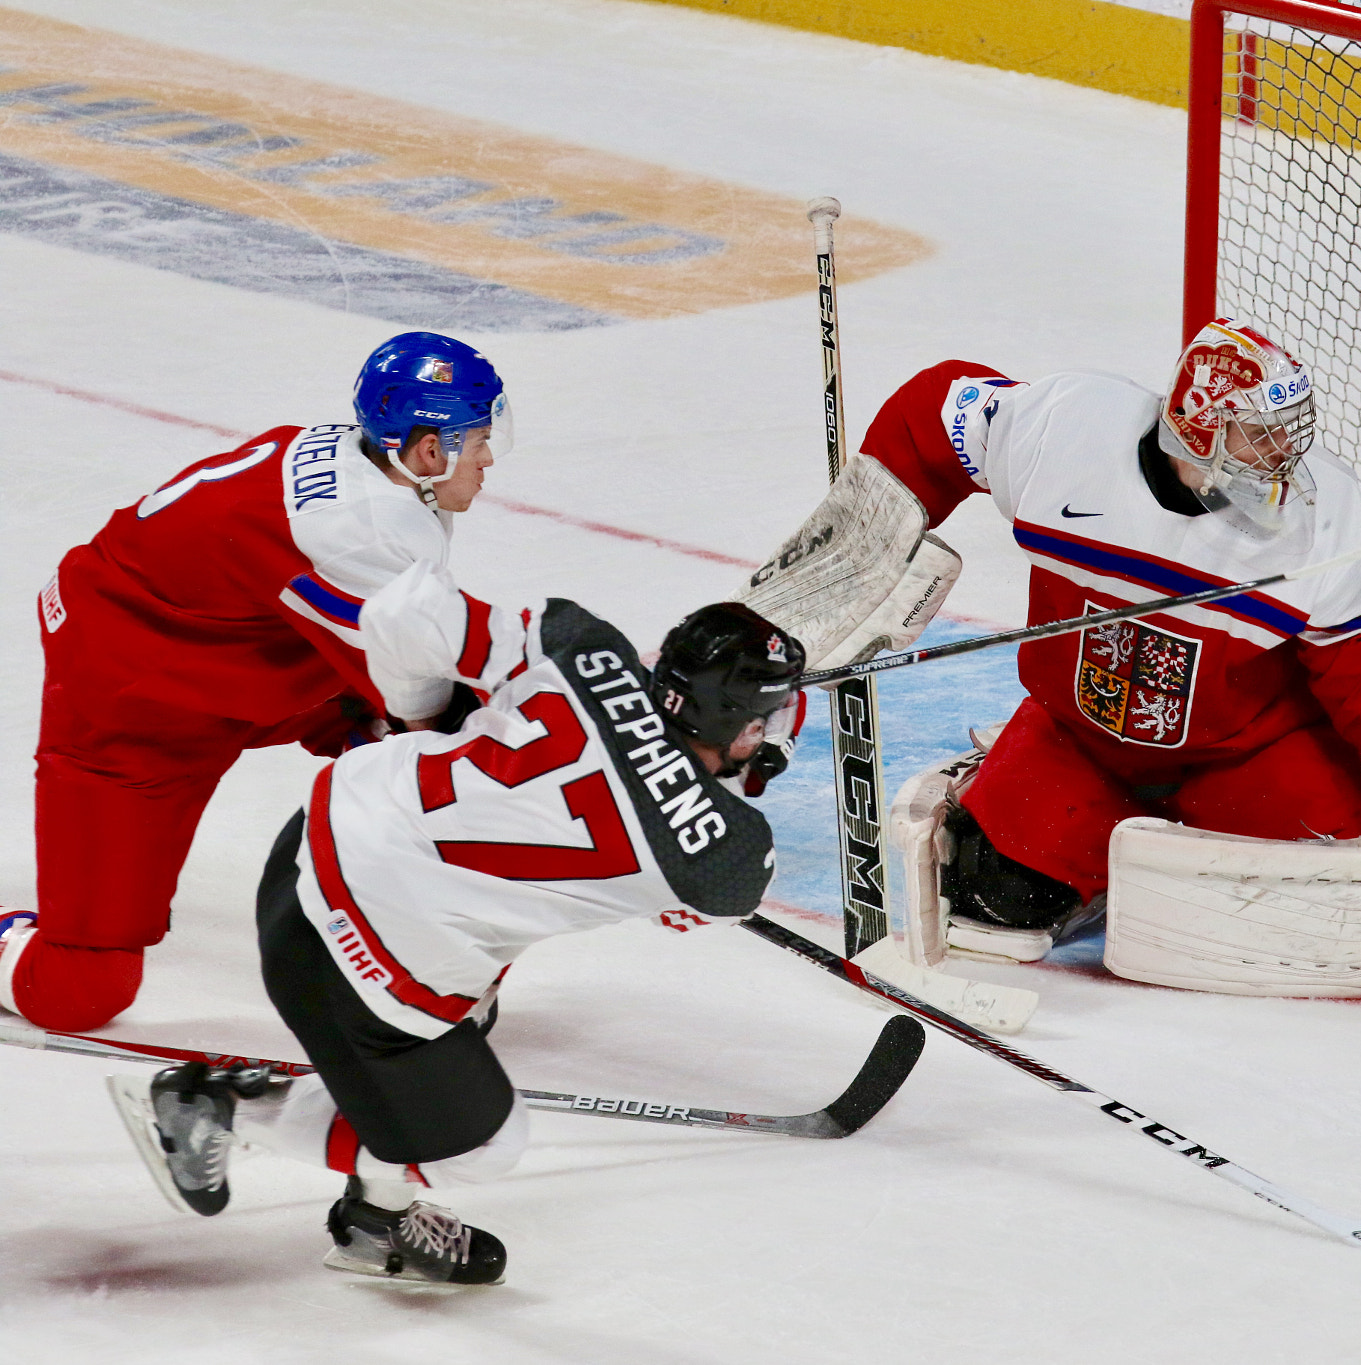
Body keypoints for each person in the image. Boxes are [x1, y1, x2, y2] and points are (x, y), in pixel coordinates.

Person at [107, 572, 805, 1284]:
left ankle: (378, 1220)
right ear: (739, 720)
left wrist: (422, 719)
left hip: (313, 840)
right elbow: (698, 901)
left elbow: (404, 609)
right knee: (483, 1143)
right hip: (349, 961)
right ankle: (222, 1107)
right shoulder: (725, 858)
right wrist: (720, 778)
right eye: (766, 721)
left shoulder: (583, 646)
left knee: (475, 996)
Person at [749, 317, 1361, 963]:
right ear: (1199, 432)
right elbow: (932, 416)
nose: (1283, 456)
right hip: (1083, 742)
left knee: (1328, 912)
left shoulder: (1321, 516)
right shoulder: (1068, 431)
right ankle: (1005, 778)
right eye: (1259, 434)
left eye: (1287, 432)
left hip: (1250, 752)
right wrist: (865, 546)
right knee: (999, 897)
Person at [0, 332, 511, 1031]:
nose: (489, 458)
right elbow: (426, 699)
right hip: (130, 699)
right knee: (78, 989)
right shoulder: (358, 528)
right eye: (481, 438)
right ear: (429, 450)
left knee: (429, 761)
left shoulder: (369, 465)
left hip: (239, 655)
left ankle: (427, 962)